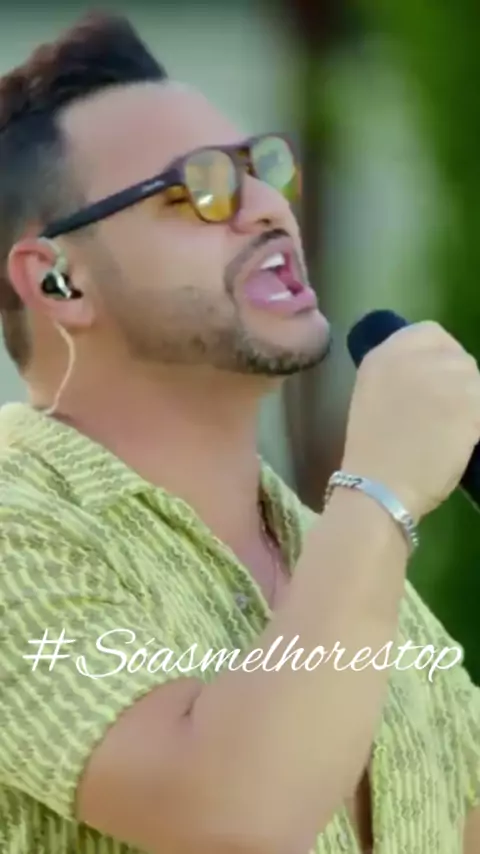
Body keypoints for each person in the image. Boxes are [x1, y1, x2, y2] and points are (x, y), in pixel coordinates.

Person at [0, 12, 478, 854]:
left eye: (262, 168)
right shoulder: (17, 528)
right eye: (201, 186)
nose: (265, 207)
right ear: (60, 280)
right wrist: (381, 489)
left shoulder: (353, 571)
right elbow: (237, 813)